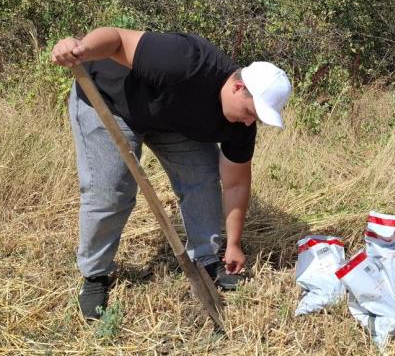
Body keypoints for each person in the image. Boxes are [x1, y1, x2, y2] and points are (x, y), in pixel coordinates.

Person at [50, 27, 291, 320]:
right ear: (238, 87)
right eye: (252, 111)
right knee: (111, 191)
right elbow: (116, 38)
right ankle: (95, 274)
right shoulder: (184, 61)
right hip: (109, 100)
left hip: (169, 120)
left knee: (202, 178)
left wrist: (234, 244)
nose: (250, 121)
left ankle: (206, 259)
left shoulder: (240, 125)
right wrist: (81, 49)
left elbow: (236, 183)